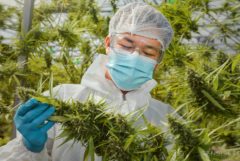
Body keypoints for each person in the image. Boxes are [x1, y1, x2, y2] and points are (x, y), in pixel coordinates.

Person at [0, 2, 174, 161]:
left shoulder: (167, 118)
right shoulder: (62, 97)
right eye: (127, 45)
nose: (135, 56)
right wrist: (30, 148)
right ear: (108, 43)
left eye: (149, 52)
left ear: (158, 61)